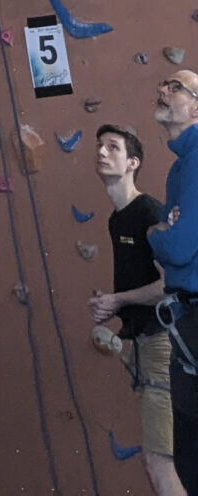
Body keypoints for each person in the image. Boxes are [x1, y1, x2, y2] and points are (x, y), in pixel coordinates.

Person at [91, 122, 180, 496]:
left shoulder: (147, 212)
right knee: (159, 461)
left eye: (113, 147)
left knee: (160, 462)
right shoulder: (117, 219)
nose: (101, 151)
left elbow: (171, 285)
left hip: (163, 346)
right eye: (100, 145)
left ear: (133, 162)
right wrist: (113, 305)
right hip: (144, 346)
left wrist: (120, 300)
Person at [149, 67, 198, 493]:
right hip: (186, 319)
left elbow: (178, 246)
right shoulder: (179, 168)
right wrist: (167, 232)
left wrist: (155, 234)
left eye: (176, 87)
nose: (163, 90)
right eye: (163, 84)